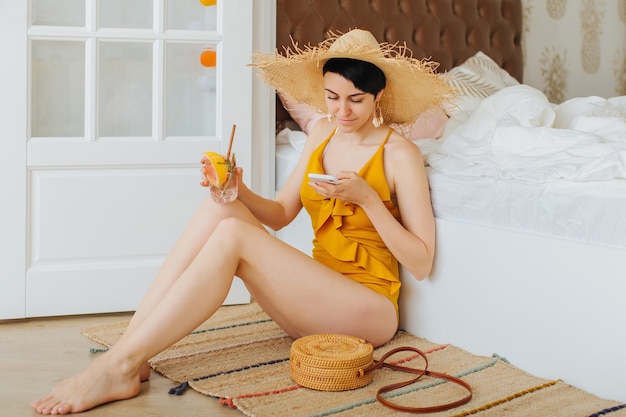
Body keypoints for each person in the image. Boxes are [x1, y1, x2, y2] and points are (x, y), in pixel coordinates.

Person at [32, 29, 455, 415]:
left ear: (378, 96)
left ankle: (118, 365)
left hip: (368, 310)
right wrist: (239, 189)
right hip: (312, 299)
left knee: (233, 233)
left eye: (355, 100)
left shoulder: (400, 154)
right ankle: (133, 355)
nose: (341, 110)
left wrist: (369, 200)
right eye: (331, 96)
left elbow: (421, 262)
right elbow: (281, 213)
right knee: (221, 210)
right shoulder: (322, 132)